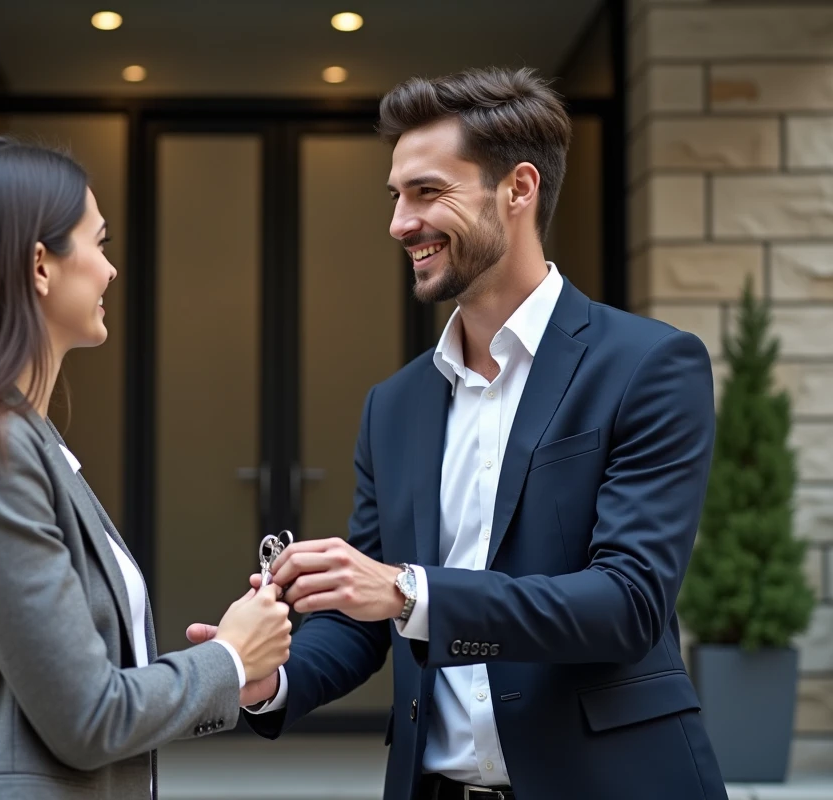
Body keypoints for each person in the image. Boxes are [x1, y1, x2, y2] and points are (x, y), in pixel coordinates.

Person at [189, 67, 727, 799]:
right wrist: (267, 678)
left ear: (518, 189)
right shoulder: (395, 404)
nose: (399, 223)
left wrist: (410, 592)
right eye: (396, 196)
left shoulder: (649, 365)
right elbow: (364, 619)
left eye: (427, 192)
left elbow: (627, 603)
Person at [0, 136, 292, 800]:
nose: (111, 271)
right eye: (98, 243)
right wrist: (227, 658)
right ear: (40, 266)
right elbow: (87, 718)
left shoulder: (14, 437)